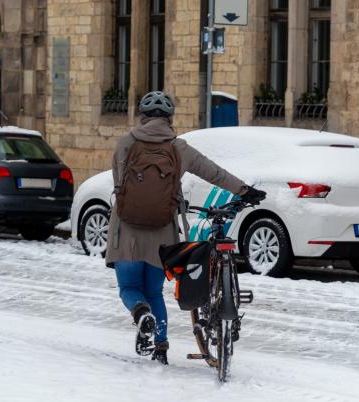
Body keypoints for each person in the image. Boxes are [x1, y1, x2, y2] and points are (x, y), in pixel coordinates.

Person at [107, 91, 266, 365]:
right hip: (162, 232)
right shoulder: (179, 149)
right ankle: (160, 345)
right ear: (170, 118)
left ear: (142, 116)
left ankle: (140, 313)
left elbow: (119, 184)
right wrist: (245, 190)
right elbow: (213, 172)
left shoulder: (124, 144)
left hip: (127, 231)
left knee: (130, 287)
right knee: (155, 292)